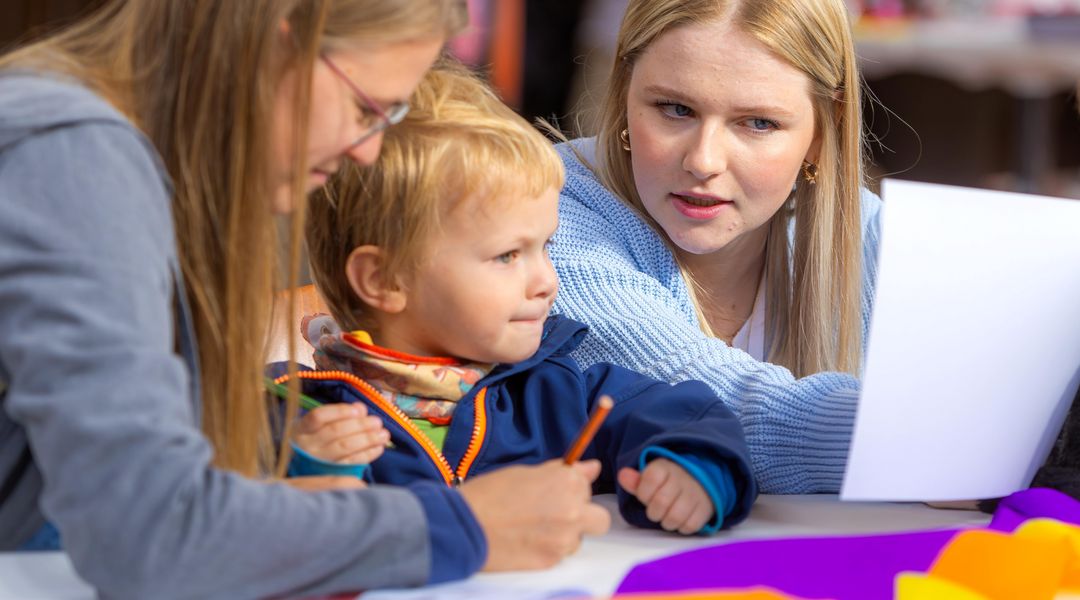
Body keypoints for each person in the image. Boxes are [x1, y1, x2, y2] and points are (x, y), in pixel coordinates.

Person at [0, 1, 609, 598]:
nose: (367, 150)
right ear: (278, 43)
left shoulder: (105, 155)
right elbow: (152, 531)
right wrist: (463, 526)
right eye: (365, 108)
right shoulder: (72, 158)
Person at [281, 62, 758, 535]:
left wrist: (692, 471)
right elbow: (238, 545)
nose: (546, 281)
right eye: (508, 256)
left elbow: (690, 416)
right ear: (384, 279)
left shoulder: (557, 393)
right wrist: (305, 473)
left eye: (543, 247)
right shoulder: (292, 414)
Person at [548, 0, 883, 494]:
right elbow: (697, 403)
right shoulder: (542, 207)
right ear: (623, 94)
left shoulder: (869, 232)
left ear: (822, 130)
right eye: (675, 109)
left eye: (758, 123)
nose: (704, 161)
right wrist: (918, 444)